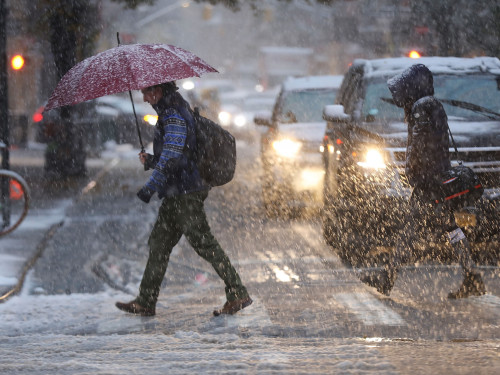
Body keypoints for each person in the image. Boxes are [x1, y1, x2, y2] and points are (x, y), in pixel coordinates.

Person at [116, 81, 252, 316]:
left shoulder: (173, 116)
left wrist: (149, 187)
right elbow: (176, 155)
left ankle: (237, 292)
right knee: (159, 244)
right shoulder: (173, 111)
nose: (145, 99)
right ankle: (146, 300)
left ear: (157, 91)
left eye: (146, 93)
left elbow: (172, 158)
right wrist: (151, 161)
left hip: (186, 192)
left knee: (204, 244)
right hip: (177, 192)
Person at [361, 64, 486, 299]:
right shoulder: (431, 104)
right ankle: (472, 277)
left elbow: (419, 146)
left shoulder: (421, 107)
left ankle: (389, 277)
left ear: (412, 87)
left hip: (429, 183)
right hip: (436, 178)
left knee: (411, 231)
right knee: (450, 228)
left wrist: (416, 175)